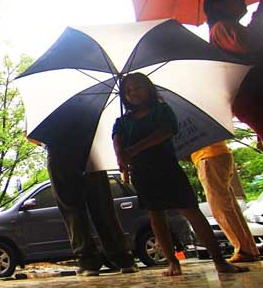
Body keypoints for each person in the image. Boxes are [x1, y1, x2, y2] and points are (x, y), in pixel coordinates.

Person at [112, 73, 248, 277]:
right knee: (156, 216)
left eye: (137, 87)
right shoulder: (122, 122)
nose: (133, 93)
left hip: (167, 168)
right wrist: (121, 153)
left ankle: (219, 261)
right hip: (142, 173)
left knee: (191, 211)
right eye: (128, 91)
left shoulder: (161, 110)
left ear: (148, 88)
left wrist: (134, 149)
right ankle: (173, 263)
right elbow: (117, 141)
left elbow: (165, 132)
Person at [45, 145, 138, 276]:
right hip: (88, 154)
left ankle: (88, 263)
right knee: (103, 209)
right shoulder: (83, 123)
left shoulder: (43, 125)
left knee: (73, 213)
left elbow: (30, 136)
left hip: (59, 156)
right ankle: (124, 260)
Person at [203, 0, 263, 145]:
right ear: (218, 6)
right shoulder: (220, 28)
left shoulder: (228, 28)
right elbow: (250, 42)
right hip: (252, 98)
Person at [191, 142, 260, 263]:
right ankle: (249, 248)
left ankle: (243, 250)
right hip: (221, 154)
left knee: (221, 208)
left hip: (207, 157)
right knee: (230, 207)